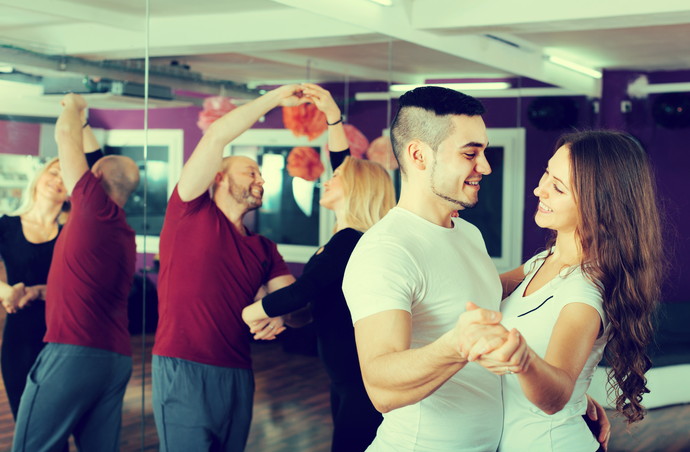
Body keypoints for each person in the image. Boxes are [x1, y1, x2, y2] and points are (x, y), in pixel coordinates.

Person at [475, 130, 662, 451]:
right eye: (547, 174)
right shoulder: (542, 261)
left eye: (557, 187)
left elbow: (556, 396)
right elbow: (477, 289)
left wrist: (524, 361)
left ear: (598, 205)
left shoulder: (584, 293)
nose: (539, 189)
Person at [152, 85, 307, 452]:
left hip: (238, 372)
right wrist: (275, 97)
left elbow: (300, 310)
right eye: (250, 172)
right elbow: (217, 134)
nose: (261, 180)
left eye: (260, 175)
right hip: (181, 366)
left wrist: (282, 318)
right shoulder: (189, 210)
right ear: (219, 177)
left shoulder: (264, 249)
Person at [242, 84, 395, 452]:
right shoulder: (343, 239)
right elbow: (318, 302)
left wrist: (252, 311)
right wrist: (331, 115)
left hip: (360, 380)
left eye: (337, 178)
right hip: (343, 376)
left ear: (356, 189)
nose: (327, 179)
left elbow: (303, 290)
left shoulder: (352, 241)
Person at [12, 93, 140, 452]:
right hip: (115, 359)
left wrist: (72, 106)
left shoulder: (91, 209)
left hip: (73, 353)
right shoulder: (123, 233)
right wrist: (39, 292)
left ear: (93, 175)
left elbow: (66, 139)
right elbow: (89, 288)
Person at [0, 157, 68, 420]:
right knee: (28, 427)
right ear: (39, 177)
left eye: (65, 177)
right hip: (20, 340)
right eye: (53, 172)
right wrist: (6, 292)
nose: (58, 180)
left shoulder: (72, 233)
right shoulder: (6, 226)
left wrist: (40, 290)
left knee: (55, 426)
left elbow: (84, 289)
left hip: (62, 340)